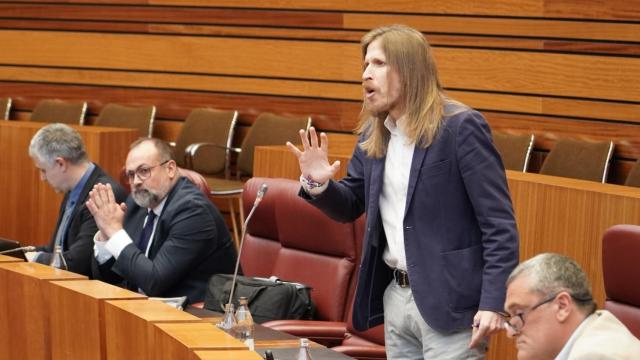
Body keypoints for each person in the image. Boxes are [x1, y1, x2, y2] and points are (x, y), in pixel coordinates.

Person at [286, 24, 519, 359]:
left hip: (450, 302)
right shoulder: (374, 133)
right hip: (396, 295)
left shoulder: (460, 127)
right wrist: (318, 184)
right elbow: (351, 203)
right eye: (365, 65)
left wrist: (494, 303)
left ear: (409, 68)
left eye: (378, 64)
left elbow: (499, 225)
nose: (366, 74)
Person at [87, 138, 237, 303]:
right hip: (150, 310)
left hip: (198, 316)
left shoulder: (193, 211)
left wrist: (114, 231)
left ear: (170, 169)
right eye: (131, 174)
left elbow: (154, 281)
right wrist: (105, 234)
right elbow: (110, 278)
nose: (136, 181)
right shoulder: (138, 203)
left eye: (144, 171)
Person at [27, 123, 127, 276]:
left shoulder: (102, 194)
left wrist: (34, 258)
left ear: (60, 163)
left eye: (43, 170)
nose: (42, 178)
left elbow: (80, 262)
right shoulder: (72, 190)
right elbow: (54, 250)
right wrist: (16, 253)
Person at [504, 253, 640, 359]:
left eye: (519, 314)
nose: (511, 333)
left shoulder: (596, 356)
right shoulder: (593, 328)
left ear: (562, 306)